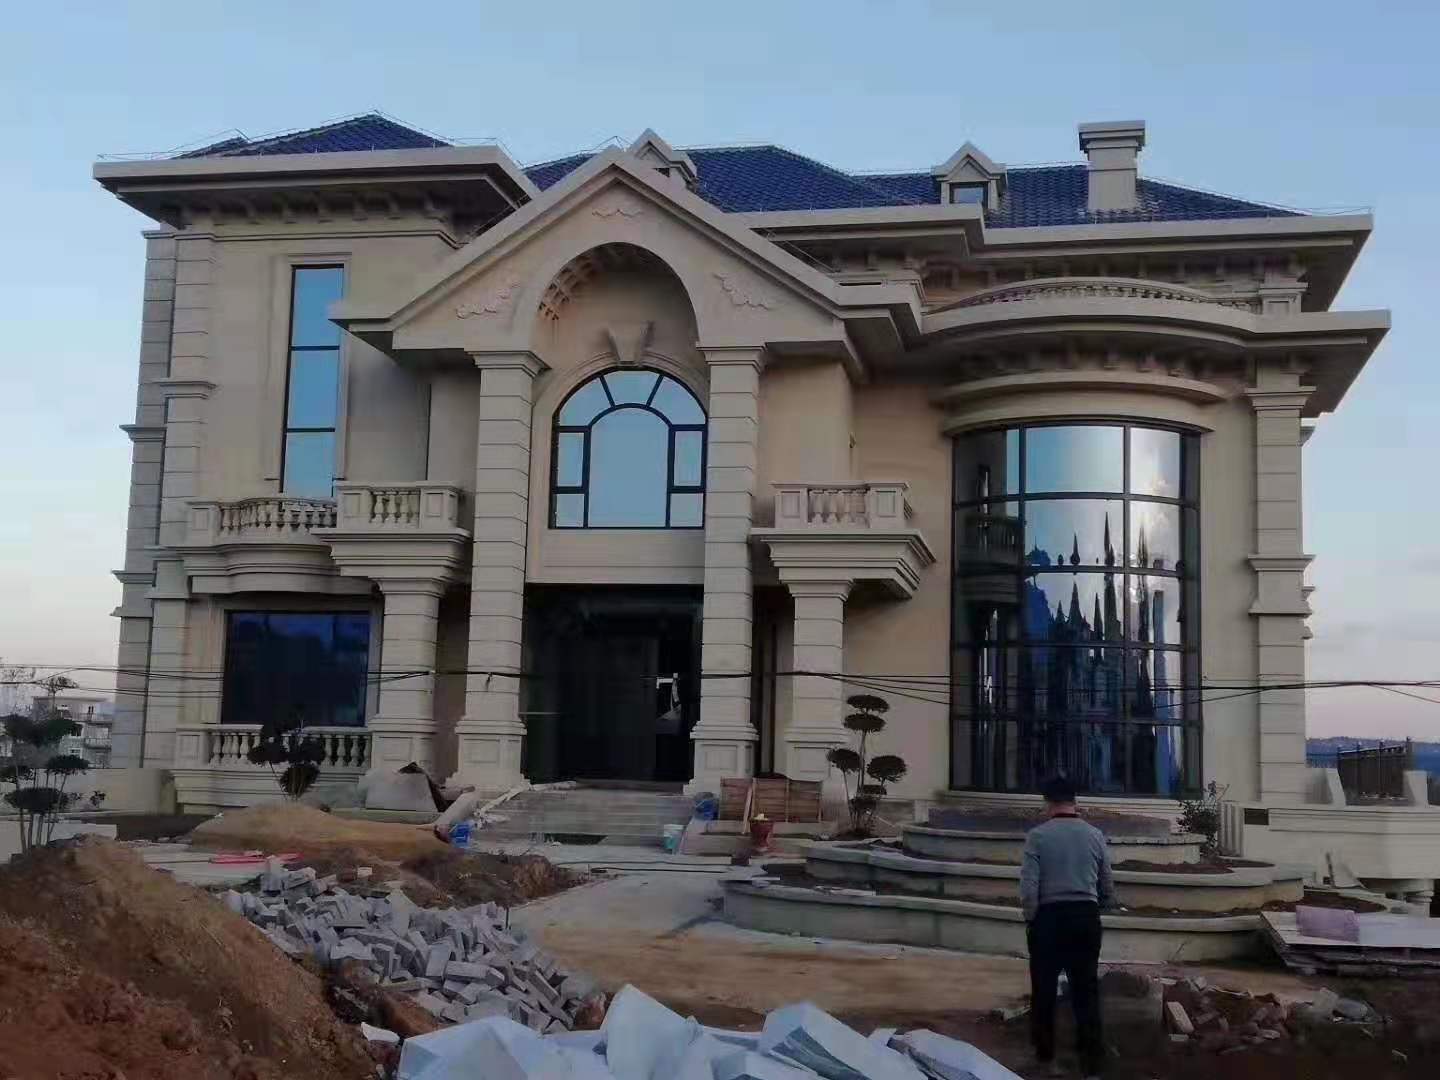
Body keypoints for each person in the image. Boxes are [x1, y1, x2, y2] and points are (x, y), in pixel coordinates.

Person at [1020, 775, 1114, 1078]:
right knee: (1085, 990)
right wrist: (1100, 906)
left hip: (1049, 917)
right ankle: (1091, 1064)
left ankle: (1045, 1057)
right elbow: (1106, 882)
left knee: (1044, 989)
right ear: (1075, 801)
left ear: (1047, 802)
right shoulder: (1095, 835)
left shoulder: (1037, 836)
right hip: (1085, 916)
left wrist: (1031, 918)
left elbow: (1029, 887)